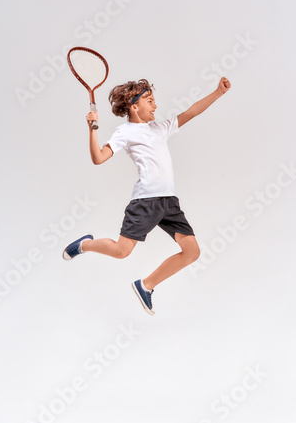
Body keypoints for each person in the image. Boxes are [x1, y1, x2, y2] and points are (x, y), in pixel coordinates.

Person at [63, 77, 231, 315]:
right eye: (150, 101)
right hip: (146, 203)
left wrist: (218, 93)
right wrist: (92, 130)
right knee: (122, 251)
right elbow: (99, 158)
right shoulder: (126, 132)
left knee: (192, 252)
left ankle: (146, 285)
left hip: (169, 202)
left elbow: (191, 112)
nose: (154, 106)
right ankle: (85, 245)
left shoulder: (160, 128)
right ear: (134, 106)